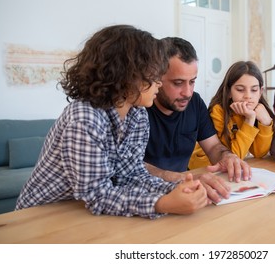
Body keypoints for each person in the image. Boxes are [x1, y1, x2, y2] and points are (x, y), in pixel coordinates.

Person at [15, 25, 208, 219]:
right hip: (40, 216)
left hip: (82, 211)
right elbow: (98, 195)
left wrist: (178, 188)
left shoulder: (138, 115)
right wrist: (162, 203)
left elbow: (132, 176)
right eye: (153, 74)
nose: (159, 82)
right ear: (127, 75)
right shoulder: (85, 118)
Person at [144, 37, 251, 204]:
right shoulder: (140, 107)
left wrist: (227, 157)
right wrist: (180, 178)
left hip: (186, 195)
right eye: (178, 83)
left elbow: (214, 146)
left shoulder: (194, 102)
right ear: (156, 77)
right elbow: (130, 167)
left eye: (192, 82)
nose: (187, 92)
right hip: (147, 195)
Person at [189, 60, 275, 169]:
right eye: (240, 89)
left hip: (227, 169)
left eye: (254, 90)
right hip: (204, 167)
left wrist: (266, 123)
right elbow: (231, 158)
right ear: (229, 92)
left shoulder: (257, 111)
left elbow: (259, 153)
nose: (248, 96)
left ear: (260, 92)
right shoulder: (218, 111)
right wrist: (249, 120)